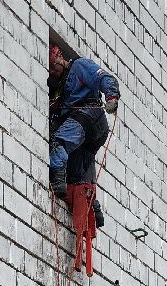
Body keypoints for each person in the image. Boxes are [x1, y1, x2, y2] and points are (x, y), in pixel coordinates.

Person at [49, 45, 119, 224]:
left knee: (60, 141)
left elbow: (103, 77)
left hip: (90, 115)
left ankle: (57, 181)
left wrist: (111, 97)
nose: (52, 71)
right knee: (78, 175)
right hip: (91, 131)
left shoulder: (79, 66)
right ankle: (94, 209)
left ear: (60, 57)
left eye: (52, 65)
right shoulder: (60, 88)